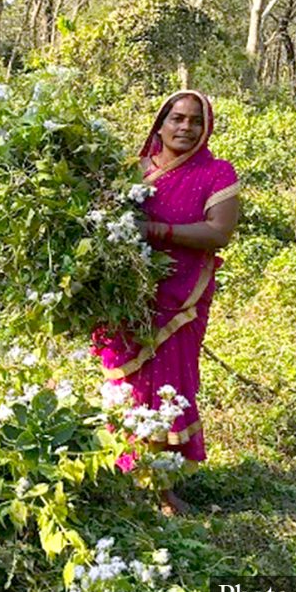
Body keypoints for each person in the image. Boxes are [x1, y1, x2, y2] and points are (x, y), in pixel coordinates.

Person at [91, 90, 241, 516]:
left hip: (181, 298)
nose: (185, 127)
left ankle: (161, 486)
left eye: (195, 121)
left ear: (206, 127)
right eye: (177, 118)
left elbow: (218, 233)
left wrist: (155, 230)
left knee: (170, 387)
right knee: (128, 387)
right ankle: (121, 472)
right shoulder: (131, 172)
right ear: (160, 123)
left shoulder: (216, 174)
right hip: (129, 297)